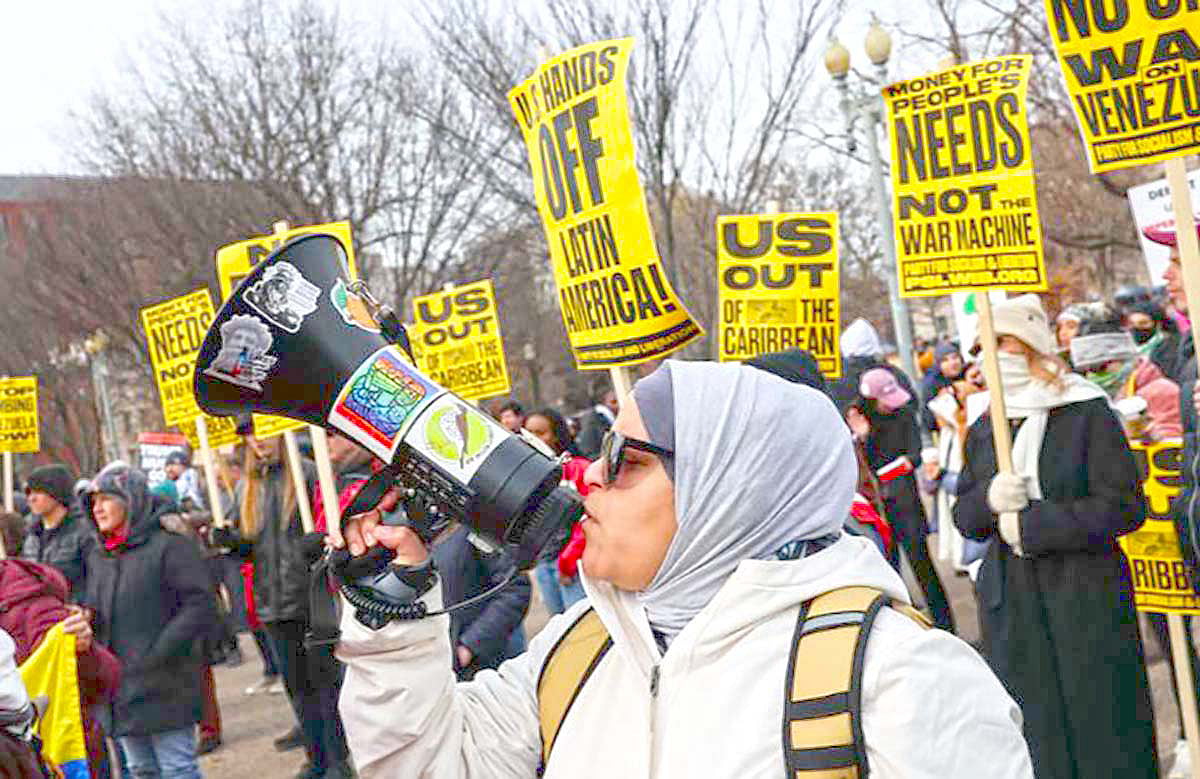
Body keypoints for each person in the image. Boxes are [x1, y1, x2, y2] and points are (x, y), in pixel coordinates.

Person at [329, 359, 1031, 778]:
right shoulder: (578, 646)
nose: (588, 481)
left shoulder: (898, 674)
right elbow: (426, 764)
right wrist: (393, 616)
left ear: (728, 488)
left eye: (624, 460)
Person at [953, 294, 1157, 779]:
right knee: (1037, 726)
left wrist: (1037, 524)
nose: (988, 357)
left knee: (1102, 721)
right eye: (981, 347)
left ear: (1029, 344)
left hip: (1084, 592)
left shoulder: (1085, 411)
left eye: (998, 342)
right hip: (1015, 600)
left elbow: (1124, 507)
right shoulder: (986, 426)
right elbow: (965, 516)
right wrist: (988, 501)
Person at [218, 434, 351, 779]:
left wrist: (319, 542)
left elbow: (334, 527)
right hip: (272, 601)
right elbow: (253, 545)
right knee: (297, 688)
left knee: (325, 684)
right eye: (250, 437)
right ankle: (316, 757)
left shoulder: (309, 474)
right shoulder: (249, 487)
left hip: (310, 597)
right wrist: (232, 543)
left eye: (263, 432)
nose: (258, 442)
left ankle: (339, 759)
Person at [82, 462, 215, 779]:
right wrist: (86, 618)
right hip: (120, 687)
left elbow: (199, 604)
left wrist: (160, 650)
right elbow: (98, 608)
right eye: (94, 502)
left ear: (130, 500)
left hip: (166, 680)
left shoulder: (169, 547)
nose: (98, 508)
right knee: (141, 770)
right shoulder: (100, 556)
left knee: (177, 768)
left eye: (106, 499)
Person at [850, 368, 955, 632]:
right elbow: (859, 467)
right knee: (887, 570)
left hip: (905, 500)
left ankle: (945, 626)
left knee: (923, 564)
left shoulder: (904, 413)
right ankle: (899, 629)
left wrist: (907, 463)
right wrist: (861, 437)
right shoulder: (857, 419)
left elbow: (915, 451)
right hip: (876, 506)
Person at [1070, 309, 1181, 442]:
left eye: (1101, 367)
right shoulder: (1086, 400)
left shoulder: (1162, 392)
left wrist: (1149, 435)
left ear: (1126, 359)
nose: (1093, 375)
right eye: (1086, 370)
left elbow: (1174, 441)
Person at [523, 409, 591, 614]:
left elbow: (588, 518)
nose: (535, 439)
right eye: (529, 433)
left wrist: (567, 562)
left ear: (556, 435)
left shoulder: (579, 468)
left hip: (575, 564)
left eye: (541, 433)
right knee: (559, 628)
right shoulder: (529, 473)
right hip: (544, 563)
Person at [21, 464, 94, 602]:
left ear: (57, 493)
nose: (31, 498)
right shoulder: (31, 534)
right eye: (28, 492)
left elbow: (95, 581)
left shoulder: (84, 533)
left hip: (71, 615)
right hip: (38, 614)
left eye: (38, 492)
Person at [1126, 299, 1184, 385]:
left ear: (1158, 324)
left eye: (1143, 323)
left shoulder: (1171, 348)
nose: (1136, 328)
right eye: (1132, 324)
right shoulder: (1129, 349)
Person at [919, 341, 964, 434]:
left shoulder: (970, 374)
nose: (952, 363)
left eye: (955, 357)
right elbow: (928, 420)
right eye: (945, 360)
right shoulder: (932, 385)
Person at [574, 390, 617, 459]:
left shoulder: (602, 417)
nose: (617, 406)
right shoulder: (594, 418)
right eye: (614, 402)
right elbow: (589, 450)